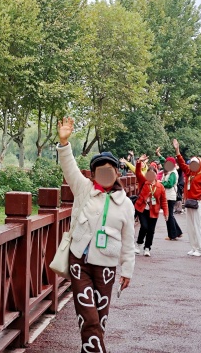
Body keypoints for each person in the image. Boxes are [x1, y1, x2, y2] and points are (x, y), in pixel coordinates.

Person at [56, 117, 135, 353]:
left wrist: (127, 270)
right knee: (88, 316)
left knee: (100, 317)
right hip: (79, 262)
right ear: (93, 174)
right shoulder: (84, 189)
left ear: (117, 173)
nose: (105, 175)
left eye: (109, 171)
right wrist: (64, 143)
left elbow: (128, 240)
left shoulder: (125, 204)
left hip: (107, 265)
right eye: (100, 171)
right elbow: (69, 167)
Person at [172, 139, 201, 257]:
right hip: (189, 202)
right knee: (190, 226)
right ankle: (194, 247)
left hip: (198, 202)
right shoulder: (189, 172)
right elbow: (181, 163)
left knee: (197, 226)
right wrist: (177, 150)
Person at [133, 154, 168, 256]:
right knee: (144, 227)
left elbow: (164, 201)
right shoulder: (144, 182)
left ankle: (147, 247)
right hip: (142, 208)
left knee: (151, 230)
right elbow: (137, 172)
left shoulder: (160, 187)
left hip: (154, 210)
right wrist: (139, 161)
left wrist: (166, 213)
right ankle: (139, 244)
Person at [161, 156, 183, 240]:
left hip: (170, 196)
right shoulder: (170, 171)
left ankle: (172, 235)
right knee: (170, 215)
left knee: (169, 215)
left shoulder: (173, 172)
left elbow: (170, 184)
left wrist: (161, 183)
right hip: (169, 195)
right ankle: (177, 232)